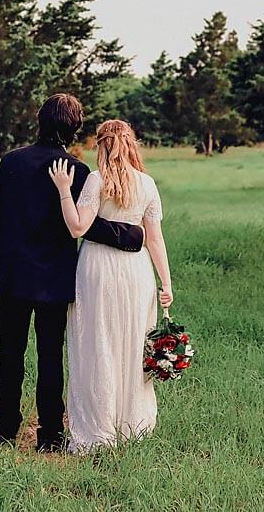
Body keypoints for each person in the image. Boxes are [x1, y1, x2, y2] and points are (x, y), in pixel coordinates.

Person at [0, 94, 144, 452]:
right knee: (50, 355)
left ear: (39, 120)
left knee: (10, 352)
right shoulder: (78, 170)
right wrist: (130, 234)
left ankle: (5, 428)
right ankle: (50, 434)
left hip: (13, 275)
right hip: (55, 278)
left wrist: (5, 268)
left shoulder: (10, 162)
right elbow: (84, 226)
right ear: (74, 128)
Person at [49, 119, 173, 452]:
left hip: (97, 269)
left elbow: (76, 228)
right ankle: (131, 426)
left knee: (96, 342)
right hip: (137, 273)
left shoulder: (95, 180)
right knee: (132, 345)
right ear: (132, 144)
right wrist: (167, 282)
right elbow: (155, 239)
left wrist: (63, 188)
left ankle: (97, 428)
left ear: (101, 145)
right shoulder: (147, 184)